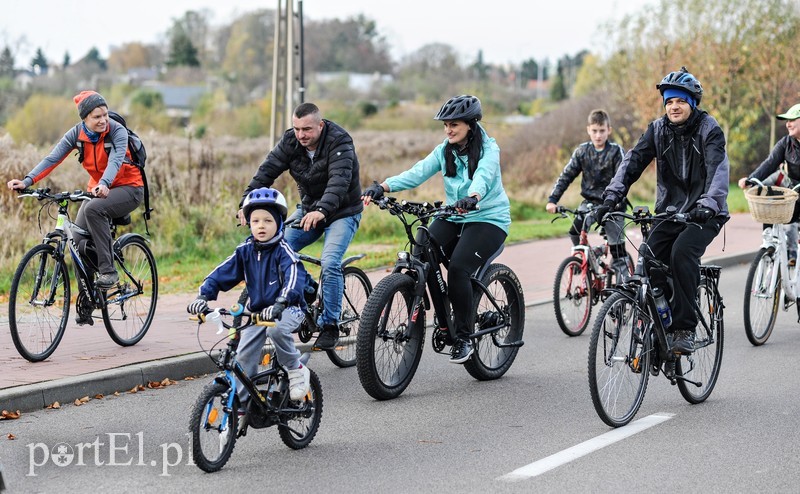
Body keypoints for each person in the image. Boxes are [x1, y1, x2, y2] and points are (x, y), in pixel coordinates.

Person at [362, 94, 511, 364]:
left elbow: (485, 175)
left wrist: (474, 196)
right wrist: (382, 187)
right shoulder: (445, 150)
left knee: (458, 268)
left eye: (454, 124)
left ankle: (464, 337)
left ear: (470, 124)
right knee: (422, 251)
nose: (448, 130)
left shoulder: (489, 149)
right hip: (454, 214)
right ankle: (444, 317)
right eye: (445, 125)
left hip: (488, 218)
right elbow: (417, 172)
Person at [595, 67, 730, 355]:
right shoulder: (657, 130)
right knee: (648, 255)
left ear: (692, 103)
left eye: (680, 100)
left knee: (682, 252)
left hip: (705, 212)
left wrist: (709, 204)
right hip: (669, 212)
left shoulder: (709, 129)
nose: (673, 106)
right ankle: (661, 318)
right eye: (669, 101)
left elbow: (719, 170)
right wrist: (610, 199)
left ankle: (684, 328)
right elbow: (631, 163)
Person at [239, 102, 363, 351]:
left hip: (342, 212)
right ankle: (307, 290)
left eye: (307, 129)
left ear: (321, 124)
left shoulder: (340, 143)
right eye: (296, 129)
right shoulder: (291, 142)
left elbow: (338, 183)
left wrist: (322, 210)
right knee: (275, 248)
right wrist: (247, 202)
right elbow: (267, 171)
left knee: (329, 262)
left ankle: (330, 325)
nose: (301, 135)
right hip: (308, 209)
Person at [7, 91, 144, 308]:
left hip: (129, 188)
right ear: (85, 119)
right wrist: (27, 181)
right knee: (78, 242)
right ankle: (88, 301)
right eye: (97, 117)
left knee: (93, 210)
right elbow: (52, 158)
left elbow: (116, 161)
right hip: (98, 189)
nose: (103, 120)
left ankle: (109, 272)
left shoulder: (117, 131)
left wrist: (105, 183)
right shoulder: (76, 134)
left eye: (105, 115)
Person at [189, 187, 311, 403]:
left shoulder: (284, 250)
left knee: (277, 331)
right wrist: (202, 297)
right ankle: (243, 407)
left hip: (289, 308)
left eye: (267, 220)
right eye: (255, 221)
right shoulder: (244, 250)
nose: (261, 226)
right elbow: (220, 273)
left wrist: (281, 302)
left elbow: (294, 278)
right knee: (243, 356)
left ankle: (296, 368)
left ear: (279, 223)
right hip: (258, 313)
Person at [545, 109, 632, 281]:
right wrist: (552, 200)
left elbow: (624, 178)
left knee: (617, 251)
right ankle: (583, 260)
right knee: (574, 230)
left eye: (602, 131)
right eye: (594, 131)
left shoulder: (616, 151)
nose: (598, 135)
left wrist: (614, 202)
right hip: (590, 203)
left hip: (613, 203)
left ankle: (625, 290)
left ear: (609, 130)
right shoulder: (582, 151)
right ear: (588, 130)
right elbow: (566, 176)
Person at [737, 103, 800, 266]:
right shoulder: (786, 143)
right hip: (793, 193)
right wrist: (750, 179)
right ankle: (769, 242)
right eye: (787, 121)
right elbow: (770, 163)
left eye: (792, 119)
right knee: (770, 203)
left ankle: (793, 255)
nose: (788, 124)